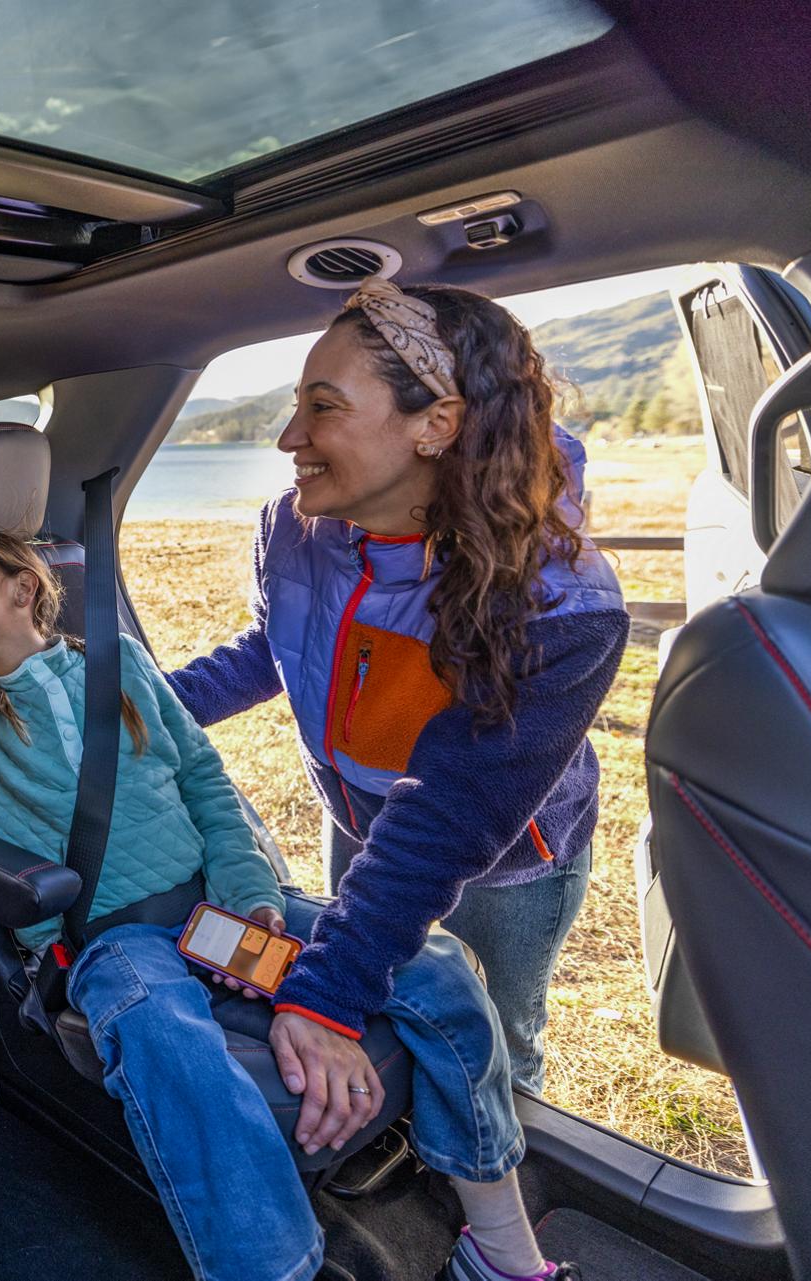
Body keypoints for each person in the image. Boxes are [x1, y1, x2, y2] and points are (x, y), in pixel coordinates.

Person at [0, 529, 577, 1281]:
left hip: (216, 907)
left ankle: (497, 1247)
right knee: (164, 1036)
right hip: (108, 939)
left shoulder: (124, 668)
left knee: (433, 965)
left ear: (24, 587)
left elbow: (206, 783)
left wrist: (252, 896)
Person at [168, 279, 629, 1105]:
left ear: (436, 424)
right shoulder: (294, 527)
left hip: (507, 858)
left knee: (490, 1035)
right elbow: (274, 648)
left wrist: (328, 988)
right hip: (362, 821)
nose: (289, 437)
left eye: (323, 406)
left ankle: (501, 1165)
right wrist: (141, 708)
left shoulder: (563, 601)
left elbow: (454, 810)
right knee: (391, 1003)